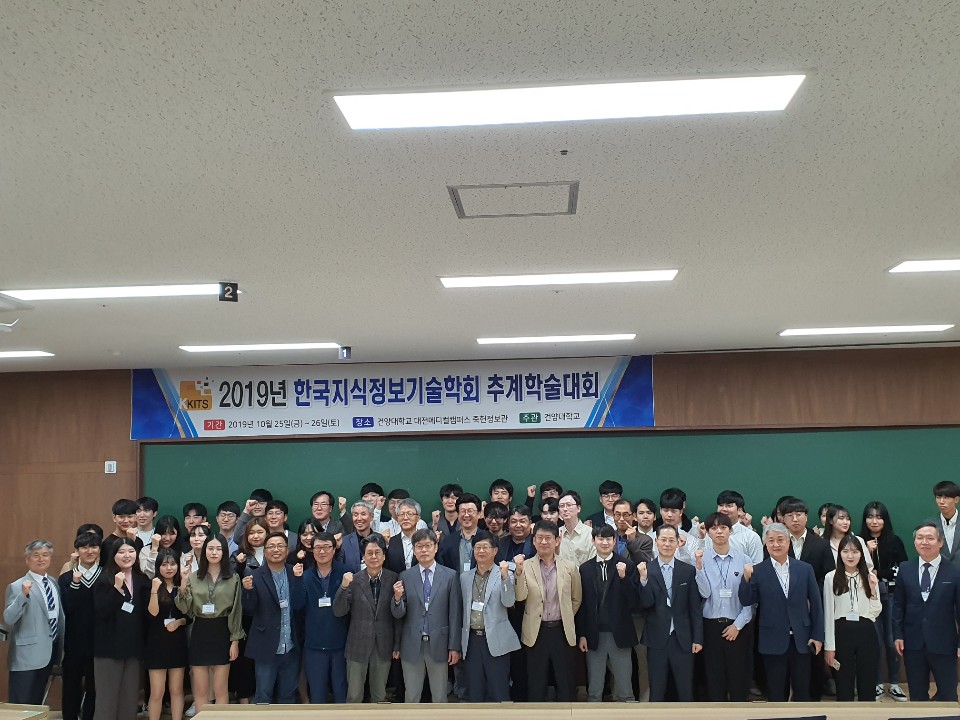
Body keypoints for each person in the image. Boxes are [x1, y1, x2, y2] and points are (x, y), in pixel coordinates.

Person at [738, 522, 824, 702]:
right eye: (771, 540)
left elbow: (816, 605)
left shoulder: (804, 568)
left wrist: (817, 635)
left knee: (803, 691)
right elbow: (746, 600)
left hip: (802, 639)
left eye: (780, 540)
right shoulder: (758, 570)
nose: (776, 544)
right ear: (765, 544)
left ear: (788, 542)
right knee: (776, 692)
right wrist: (746, 578)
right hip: (772, 640)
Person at [514, 520, 582, 702]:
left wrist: (566, 615)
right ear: (534, 541)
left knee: (566, 681)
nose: (543, 542)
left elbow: (576, 598)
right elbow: (520, 597)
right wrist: (518, 573)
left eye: (548, 538)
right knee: (536, 682)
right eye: (539, 538)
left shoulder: (569, 567)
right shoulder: (525, 566)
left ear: (557, 540)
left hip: (562, 630)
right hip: (536, 632)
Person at [392, 528, 462, 703]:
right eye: (419, 546)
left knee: (440, 696)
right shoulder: (405, 576)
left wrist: (454, 646)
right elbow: (398, 615)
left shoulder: (450, 575)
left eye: (428, 546)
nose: (424, 550)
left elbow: (454, 614)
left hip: (439, 644)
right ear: (414, 550)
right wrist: (397, 599)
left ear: (435, 548)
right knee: (411, 696)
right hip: (411, 644)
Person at [175, 533, 244, 710]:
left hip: (222, 631)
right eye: (210, 548)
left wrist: (235, 641)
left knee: (221, 689)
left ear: (224, 552)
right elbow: (185, 608)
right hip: (200, 630)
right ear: (204, 551)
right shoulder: (194, 576)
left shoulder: (233, 578)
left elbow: (236, 610)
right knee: (201, 691)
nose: (214, 552)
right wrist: (183, 581)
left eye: (218, 549)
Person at [893, 522, 960, 702]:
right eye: (920, 538)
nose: (924, 542)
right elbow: (898, 605)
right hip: (913, 643)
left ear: (940, 542)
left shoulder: (955, 571)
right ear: (914, 542)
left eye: (930, 538)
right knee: (917, 695)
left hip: (944, 643)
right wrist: (898, 635)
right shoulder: (905, 569)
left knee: (948, 695)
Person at [332, 534, 401, 703]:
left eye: (378, 552)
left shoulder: (394, 578)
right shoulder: (353, 579)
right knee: (354, 695)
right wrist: (343, 587)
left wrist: (397, 644)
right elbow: (339, 611)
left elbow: (398, 617)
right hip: (357, 644)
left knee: (379, 695)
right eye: (369, 553)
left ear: (384, 556)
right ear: (363, 556)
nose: (373, 556)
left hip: (383, 644)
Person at [638, 524, 702, 701]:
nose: (667, 544)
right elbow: (644, 604)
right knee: (657, 689)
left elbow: (695, 608)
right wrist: (643, 580)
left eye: (671, 540)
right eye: (663, 540)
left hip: (683, 639)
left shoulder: (687, 570)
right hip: (656, 638)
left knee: (685, 689)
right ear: (656, 542)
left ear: (678, 542)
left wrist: (697, 638)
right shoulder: (647, 569)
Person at [576, 523, 640, 702]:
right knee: (595, 687)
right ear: (593, 541)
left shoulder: (626, 565)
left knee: (625, 686)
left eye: (608, 539)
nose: (604, 543)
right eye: (600, 539)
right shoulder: (585, 569)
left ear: (614, 541)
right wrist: (582, 634)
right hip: (594, 634)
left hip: (620, 632)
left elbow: (635, 601)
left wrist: (623, 578)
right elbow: (582, 605)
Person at [241, 532, 306, 705]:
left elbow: (300, 604)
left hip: (291, 646)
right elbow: (249, 609)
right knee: (263, 695)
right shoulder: (255, 576)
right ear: (265, 551)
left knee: (288, 696)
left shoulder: (295, 572)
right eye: (271, 546)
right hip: (265, 646)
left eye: (280, 546)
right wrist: (248, 591)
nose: (276, 550)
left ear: (287, 550)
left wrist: (299, 580)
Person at [694, 512, 753, 702]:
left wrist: (738, 625)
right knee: (713, 678)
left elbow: (750, 599)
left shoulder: (744, 559)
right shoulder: (702, 558)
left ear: (730, 531)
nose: (719, 531)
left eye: (723, 527)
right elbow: (704, 593)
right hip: (710, 626)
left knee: (738, 677)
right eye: (714, 528)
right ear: (708, 532)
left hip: (738, 626)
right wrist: (699, 568)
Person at [92, 537, 150, 720]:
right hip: (108, 649)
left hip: (133, 649)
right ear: (113, 555)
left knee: (129, 700)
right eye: (122, 552)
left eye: (131, 551)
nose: (127, 556)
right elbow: (101, 611)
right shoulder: (104, 579)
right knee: (107, 700)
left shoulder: (142, 579)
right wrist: (116, 589)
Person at [459, 530, 520, 702]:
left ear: (495, 551)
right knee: (475, 692)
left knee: (499, 691)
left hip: (496, 639)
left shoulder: (505, 573)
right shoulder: (464, 577)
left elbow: (509, 602)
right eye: (477, 547)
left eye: (485, 547)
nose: (481, 551)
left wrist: (505, 578)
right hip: (471, 641)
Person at [5, 539, 66, 705]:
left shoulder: (53, 583)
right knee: (21, 705)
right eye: (36, 555)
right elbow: (9, 618)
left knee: (36, 705)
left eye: (45, 555)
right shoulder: (17, 586)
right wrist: (23, 596)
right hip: (26, 657)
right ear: (27, 559)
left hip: (49, 652)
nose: (41, 559)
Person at [859, 500, 908, 702]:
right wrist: (866, 551)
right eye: (870, 516)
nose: (874, 521)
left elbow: (903, 568)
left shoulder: (894, 541)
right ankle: (877, 683)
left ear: (885, 519)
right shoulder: (858, 541)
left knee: (890, 639)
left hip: (891, 596)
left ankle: (894, 683)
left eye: (879, 517)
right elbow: (853, 568)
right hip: (867, 597)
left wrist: (880, 573)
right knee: (874, 640)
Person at [823, 534, 881, 702]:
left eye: (855, 551)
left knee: (867, 681)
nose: (850, 556)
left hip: (866, 631)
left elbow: (875, 611)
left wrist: (873, 590)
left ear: (861, 554)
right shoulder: (831, 577)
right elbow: (828, 612)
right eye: (846, 551)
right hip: (841, 632)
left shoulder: (869, 576)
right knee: (843, 682)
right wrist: (829, 646)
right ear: (839, 553)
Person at [59, 531, 103, 720]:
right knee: (71, 685)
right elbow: (66, 608)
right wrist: (75, 584)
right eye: (84, 547)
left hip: (99, 641)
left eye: (93, 547)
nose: (89, 551)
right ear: (77, 551)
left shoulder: (107, 576)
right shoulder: (66, 578)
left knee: (95, 687)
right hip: (73, 641)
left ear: (99, 550)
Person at [302, 531, 349, 703]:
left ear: (334, 549)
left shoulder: (346, 573)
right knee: (317, 694)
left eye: (327, 547)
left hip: (341, 644)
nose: (322, 552)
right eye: (318, 548)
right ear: (312, 550)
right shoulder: (305, 576)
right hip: (314, 645)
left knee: (341, 692)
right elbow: (298, 607)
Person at [145, 548, 189, 720]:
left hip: (177, 643)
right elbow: (152, 614)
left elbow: (189, 615)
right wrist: (154, 590)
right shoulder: (152, 585)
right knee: (157, 692)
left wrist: (179, 622)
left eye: (172, 564)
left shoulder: (182, 585)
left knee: (177, 690)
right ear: (158, 567)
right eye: (164, 565)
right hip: (156, 643)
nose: (169, 568)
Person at [439, 492, 482, 574]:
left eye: (470, 511)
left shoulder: (489, 539)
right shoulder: (448, 541)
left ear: (479, 514)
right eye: (462, 511)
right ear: (458, 514)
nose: (466, 515)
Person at [824, 505, 874, 571]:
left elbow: (868, 566)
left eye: (848, 519)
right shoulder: (823, 543)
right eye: (841, 518)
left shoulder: (858, 540)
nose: (845, 522)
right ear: (830, 521)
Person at [385, 498, 424, 575]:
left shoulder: (426, 540)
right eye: (402, 514)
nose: (405, 518)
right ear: (397, 518)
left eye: (410, 514)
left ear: (418, 518)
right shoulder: (391, 542)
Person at [338, 501, 379, 573]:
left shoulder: (380, 539)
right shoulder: (344, 542)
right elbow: (339, 569)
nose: (359, 518)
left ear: (372, 516)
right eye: (355, 515)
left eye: (363, 514)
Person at [557, 491, 596, 566]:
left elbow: (593, 564)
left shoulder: (590, 533)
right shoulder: (556, 534)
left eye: (569, 505)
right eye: (561, 506)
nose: (565, 509)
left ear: (578, 508)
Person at [611, 497, 654, 563]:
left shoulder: (645, 540)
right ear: (613, 516)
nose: (621, 519)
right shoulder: (608, 537)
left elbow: (644, 563)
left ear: (633, 516)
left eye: (625, 515)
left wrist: (631, 541)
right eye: (618, 515)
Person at [931, 480, 960, 565]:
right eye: (938, 497)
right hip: (939, 570)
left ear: (956, 499)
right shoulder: (929, 525)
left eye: (946, 497)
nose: (941, 501)